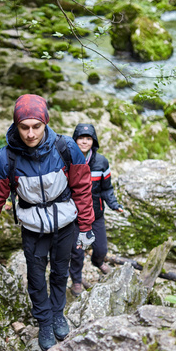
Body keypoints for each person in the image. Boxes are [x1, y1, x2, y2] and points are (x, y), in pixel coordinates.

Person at [0, 95, 95, 351]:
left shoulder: (66, 148)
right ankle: (44, 322)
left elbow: (82, 188)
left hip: (65, 223)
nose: (31, 133)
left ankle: (58, 313)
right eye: (24, 127)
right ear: (16, 126)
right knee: (36, 277)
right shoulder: (6, 158)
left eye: (36, 126)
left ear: (46, 122)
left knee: (60, 271)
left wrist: (87, 227)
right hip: (33, 228)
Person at [69, 123, 123, 297]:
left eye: (88, 139)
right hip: (75, 216)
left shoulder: (101, 162)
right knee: (76, 253)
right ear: (74, 140)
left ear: (94, 141)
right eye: (80, 138)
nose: (84, 142)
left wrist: (114, 204)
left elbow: (107, 188)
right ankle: (76, 281)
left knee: (101, 249)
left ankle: (98, 262)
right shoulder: (68, 160)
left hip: (96, 214)